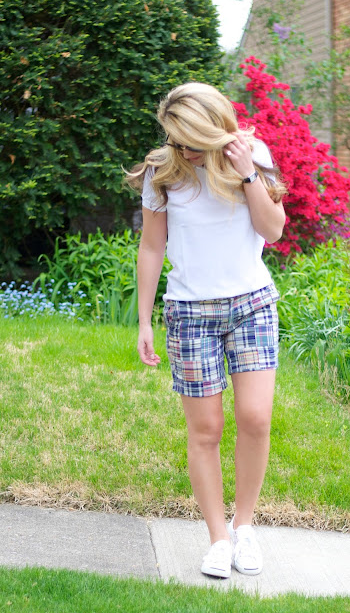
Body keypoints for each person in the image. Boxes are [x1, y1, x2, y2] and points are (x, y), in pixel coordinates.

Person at [126, 82, 286, 579]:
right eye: (178, 139)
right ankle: (218, 537)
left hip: (252, 305)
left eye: (194, 141)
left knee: (256, 417)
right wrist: (144, 319)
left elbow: (273, 230)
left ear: (217, 129)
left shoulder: (252, 154)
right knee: (206, 429)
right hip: (190, 313)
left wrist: (246, 174)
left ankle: (244, 527)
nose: (186, 150)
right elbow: (152, 248)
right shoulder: (163, 172)